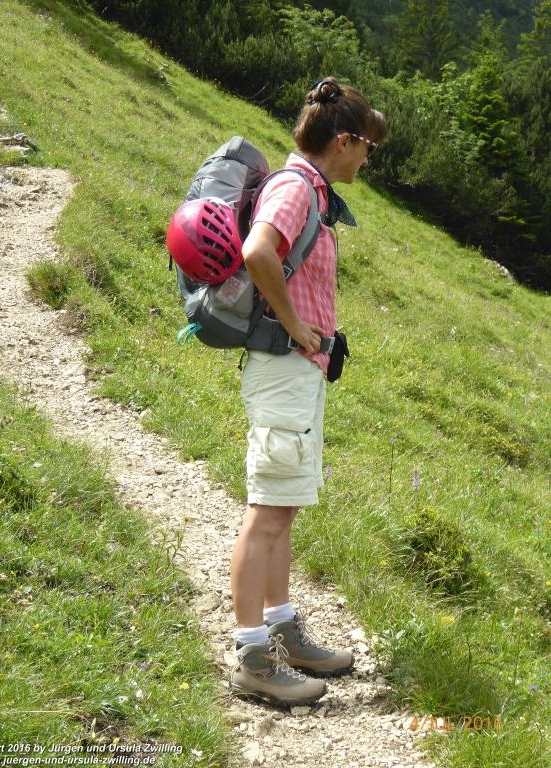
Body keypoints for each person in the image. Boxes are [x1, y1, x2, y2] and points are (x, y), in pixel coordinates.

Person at [229, 77, 388, 707]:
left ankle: (283, 632)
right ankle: (252, 657)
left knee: (284, 506)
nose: (368, 158)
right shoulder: (296, 187)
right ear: (343, 141)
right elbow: (257, 251)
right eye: (368, 146)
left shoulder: (314, 191)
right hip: (283, 366)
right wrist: (296, 326)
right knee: (267, 512)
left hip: (299, 372)